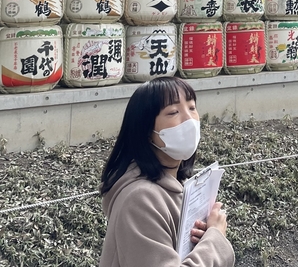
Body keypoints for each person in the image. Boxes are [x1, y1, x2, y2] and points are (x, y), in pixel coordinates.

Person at [99, 76, 234, 267]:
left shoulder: (173, 185)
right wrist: (215, 239)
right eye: (173, 112)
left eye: (192, 107)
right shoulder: (140, 200)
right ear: (146, 130)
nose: (189, 119)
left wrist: (202, 241)